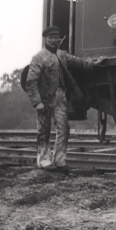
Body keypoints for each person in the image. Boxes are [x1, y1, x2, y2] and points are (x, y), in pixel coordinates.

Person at [25, 26, 105, 170]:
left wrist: (93, 64)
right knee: (44, 130)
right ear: (45, 39)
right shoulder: (38, 58)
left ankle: (59, 161)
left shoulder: (62, 55)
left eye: (56, 38)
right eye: (51, 38)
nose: (54, 40)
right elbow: (31, 82)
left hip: (60, 98)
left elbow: (78, 62)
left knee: (64, 129)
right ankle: (44, 161)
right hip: (44, 100)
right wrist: (37, 102)